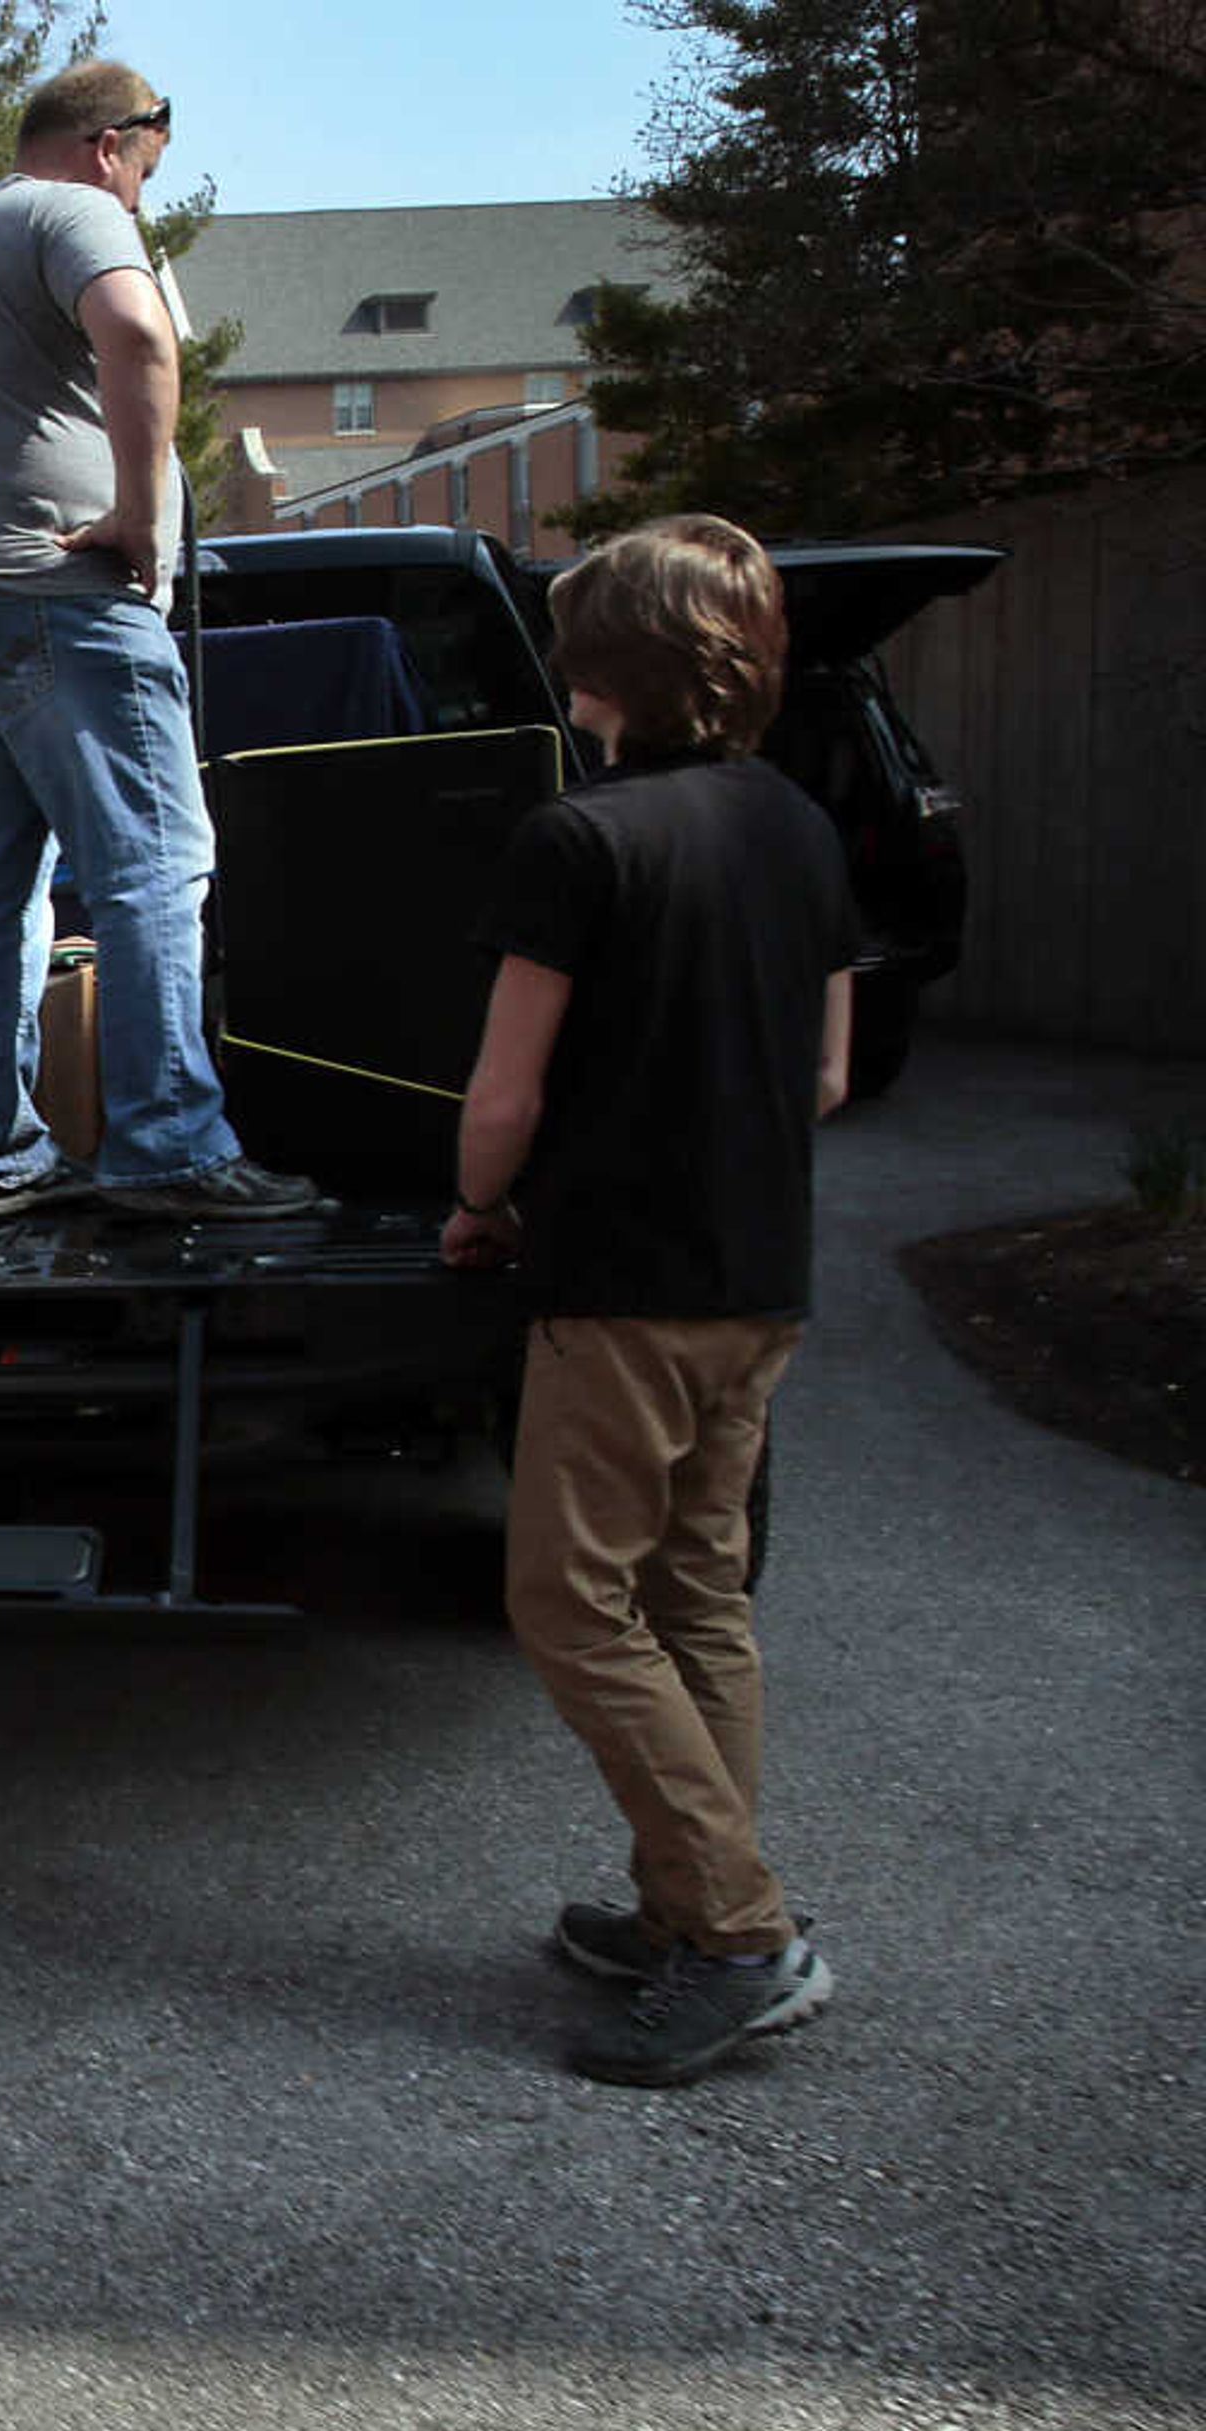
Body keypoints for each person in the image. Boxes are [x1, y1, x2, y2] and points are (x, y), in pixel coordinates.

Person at [440, 512, 856, 2090]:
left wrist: (482, 1214)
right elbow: (822, 1072)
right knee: (695, 1601)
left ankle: (741, 1936)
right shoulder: (802, 830)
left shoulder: (579, 838)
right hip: (764, 1281)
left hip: (622, 1287)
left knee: (569, 1602)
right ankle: (683, 1907)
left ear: (592, 671)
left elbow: (501, 1097)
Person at [0, 59, 321, 1223]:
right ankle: (169, 1145)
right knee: (153, 868)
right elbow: (141, 338)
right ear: (109, 143)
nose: (139, 205)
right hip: (58, 597)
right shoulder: (75, 213)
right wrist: (131, 511)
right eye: (144, 175)